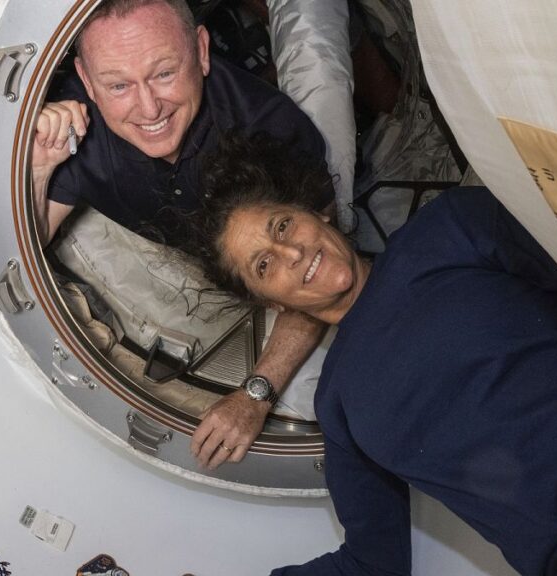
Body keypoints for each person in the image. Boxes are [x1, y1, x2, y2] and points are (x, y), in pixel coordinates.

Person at [184, 133, 557, 576]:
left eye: (282, 226)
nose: (292, 254)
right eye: (265, 264)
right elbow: (372, 563)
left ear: (317, 212)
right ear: (271, 302)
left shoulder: (448, 228)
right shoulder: (337, 404)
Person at [31, 0, 337, 468]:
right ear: (87, 81)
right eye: (118, 85)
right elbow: (33, 239)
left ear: (201, 50)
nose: (148, 107)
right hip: (174, 251)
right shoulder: (75, 126)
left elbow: (320, 271)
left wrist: (257, 394)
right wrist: (39, 167)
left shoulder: (270, 129)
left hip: (270, 260)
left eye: (164, 73)